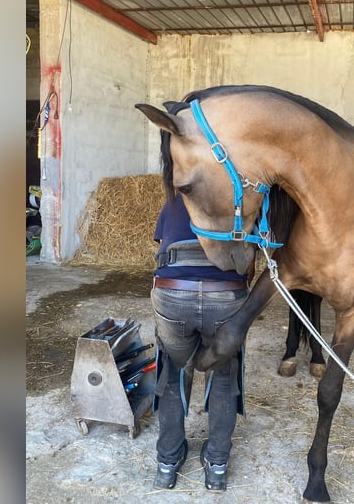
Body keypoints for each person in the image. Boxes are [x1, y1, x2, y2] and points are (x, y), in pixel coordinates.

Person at [150, 192, 251, 491]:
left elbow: (160, 247)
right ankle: (217, 466)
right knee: (223, 372)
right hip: (226, 294)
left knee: (173, 371)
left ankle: (167, 464)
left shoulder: (173, 200)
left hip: (172, 291)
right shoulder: (239, 203)